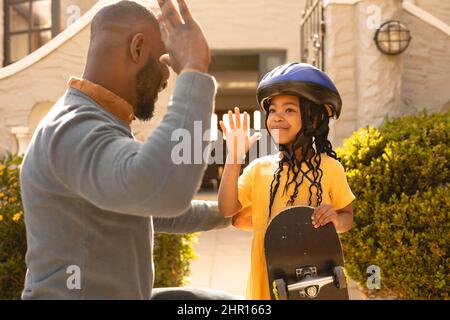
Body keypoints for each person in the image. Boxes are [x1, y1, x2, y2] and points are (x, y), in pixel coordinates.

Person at [20, 0, 237, 299]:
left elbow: (146, 208)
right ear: (137, 49)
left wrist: (227, 212)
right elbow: (160, 190)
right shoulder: (71, 129)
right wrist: (194, 68)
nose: (168, 76)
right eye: (166, 59)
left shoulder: (99, 121)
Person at [218, 62, 356, 300]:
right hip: (267, 283)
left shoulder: (331, 168)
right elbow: (228, 209)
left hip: (315, 284)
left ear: (313, 119)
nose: (277, 117)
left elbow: (347, 217)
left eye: (289, 110)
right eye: (272, 110)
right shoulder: (260, 169)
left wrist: (335, 219)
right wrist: (234, 156)